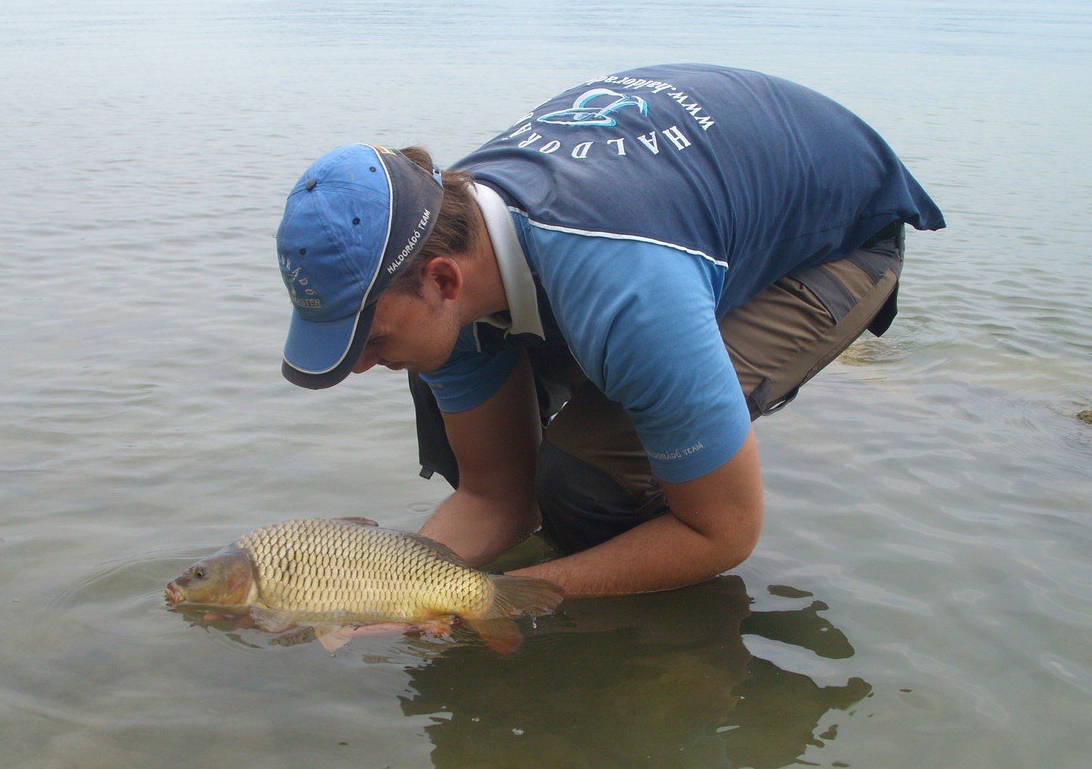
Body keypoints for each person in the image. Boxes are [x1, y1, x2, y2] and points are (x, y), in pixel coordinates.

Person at [274, 63, 944, 598]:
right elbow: (493, 498)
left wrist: (510, 596)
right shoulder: (439, 239)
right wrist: (394, 594)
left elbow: (726, 534)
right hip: (679, 214)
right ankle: (642, 523)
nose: (360, 365)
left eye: (372, 340)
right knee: (456, 405)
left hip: (837, 238)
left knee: (582, 484)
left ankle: (679, 640)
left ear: (442, 281)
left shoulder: (628, 290)